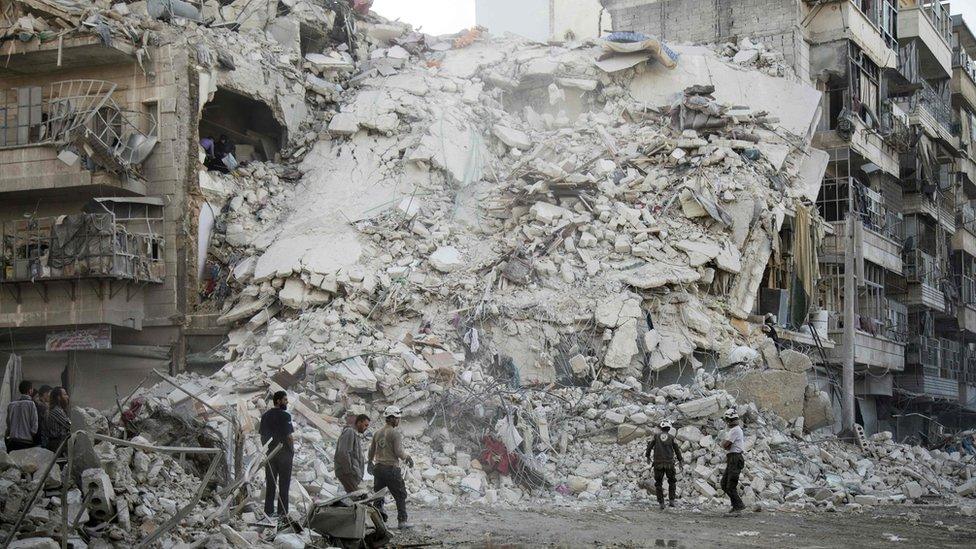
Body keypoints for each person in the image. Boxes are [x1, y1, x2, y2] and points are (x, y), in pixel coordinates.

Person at [368, 405, 414, 529]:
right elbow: (399, 452)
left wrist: (369, 462)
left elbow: (371, 450)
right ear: (392, 418)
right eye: (397, 418)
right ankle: (402, 521)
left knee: (378, 496)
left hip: (378, 468)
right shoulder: (395, 434)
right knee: (400, 495)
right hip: (391, 468)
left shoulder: (377, 433)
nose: (399, 421)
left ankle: (378, 523)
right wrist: (407, 457)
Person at [259, 390, 295, 519]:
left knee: (271, 483)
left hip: (270, 455)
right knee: (284, 485)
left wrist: (267, 450)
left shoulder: (265, 416)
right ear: (278, 401)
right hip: (284, 455)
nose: (287, 402)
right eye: (285, 400)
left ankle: (268, 511)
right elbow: (289, 437)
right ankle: (282, 513)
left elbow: (262, 436)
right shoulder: (285, 416)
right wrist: (292, 451)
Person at [644, 419, 683, 510]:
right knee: (672, 482)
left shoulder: (656, 436)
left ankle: (661, 502)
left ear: (661, 428)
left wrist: (648, 456)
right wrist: (680, 460)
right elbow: (677, 450)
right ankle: (672, 501)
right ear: (669, 429)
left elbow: (649, 446)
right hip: (669, 464)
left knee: (658, 483)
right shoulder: (672, 437)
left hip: (658, 463)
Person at [335, 414, 370, 493]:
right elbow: (343, 452)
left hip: (349, 473)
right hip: (347, 473)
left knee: (353, 496)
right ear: (359, 423)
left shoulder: (354, 434)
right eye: (365, 425)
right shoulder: (349, 432)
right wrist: (349, 471)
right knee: (356, 496)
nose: (366, 428)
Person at [720, 408, 746, 514]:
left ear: (728, 420)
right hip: (732, 458)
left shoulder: (735, 430)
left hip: (735, 458)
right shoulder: (733, 430)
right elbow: (727, 446)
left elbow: (725, 445)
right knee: (724, 483)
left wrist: (723, 440)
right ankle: (736, 506)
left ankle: (738, 506)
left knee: (730, 485)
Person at [5, 380, 38, 451]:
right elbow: (34, 427)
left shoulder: (11, 405)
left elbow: (8, 425)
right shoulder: (31, 404)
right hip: (26, 443)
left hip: (12, 442)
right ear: (30, 391)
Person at [45, 387, 72, 453]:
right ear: (58, 397)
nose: (67, 397)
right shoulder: (56, 410)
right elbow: (69, 425)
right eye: (65, 394)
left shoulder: (59, 410)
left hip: (58, 443)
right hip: (57, 444)